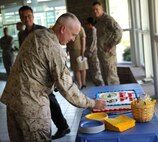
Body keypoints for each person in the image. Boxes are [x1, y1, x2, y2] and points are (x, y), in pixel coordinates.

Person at [0, 12, 106, 142]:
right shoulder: (54, 48)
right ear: (62, 29)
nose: (73, 39)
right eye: (73, 34)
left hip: (13, 102)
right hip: (31, 107)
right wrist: (92, 103)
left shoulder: (37, 34)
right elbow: (67, 87)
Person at [18, 5, 71, 140]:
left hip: (44, 75)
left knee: (51, 100)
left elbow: (53, 54)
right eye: (24, 17)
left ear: (33, 16)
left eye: (29, 15)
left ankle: (63, 126)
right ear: (20, 19)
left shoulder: (41, 30)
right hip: (30, 76)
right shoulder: (21, 34)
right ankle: (61, 126)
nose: (27, 19)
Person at [92, 1, 123, 85]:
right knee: (106, 78)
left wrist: (111, 45)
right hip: (102, 54)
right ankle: (110, 97)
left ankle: (116, 96)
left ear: (102, 9)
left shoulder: (108, 19)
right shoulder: (99, 21)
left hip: (108, 55)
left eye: (97, 9)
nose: (95, 11)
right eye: (93, 10)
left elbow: (119, 31)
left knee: (111, 78)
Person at [85, 17, 104, 86]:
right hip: (92, 53)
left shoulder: (94, 30)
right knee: (93, 69)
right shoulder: (91, 30)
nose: (86, 25)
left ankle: (100, 85)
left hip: (94, 53)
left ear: (90, 24)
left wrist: (89, 51)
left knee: (96, 69)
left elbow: (93, 42)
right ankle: (97, 84)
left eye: (87, 23)